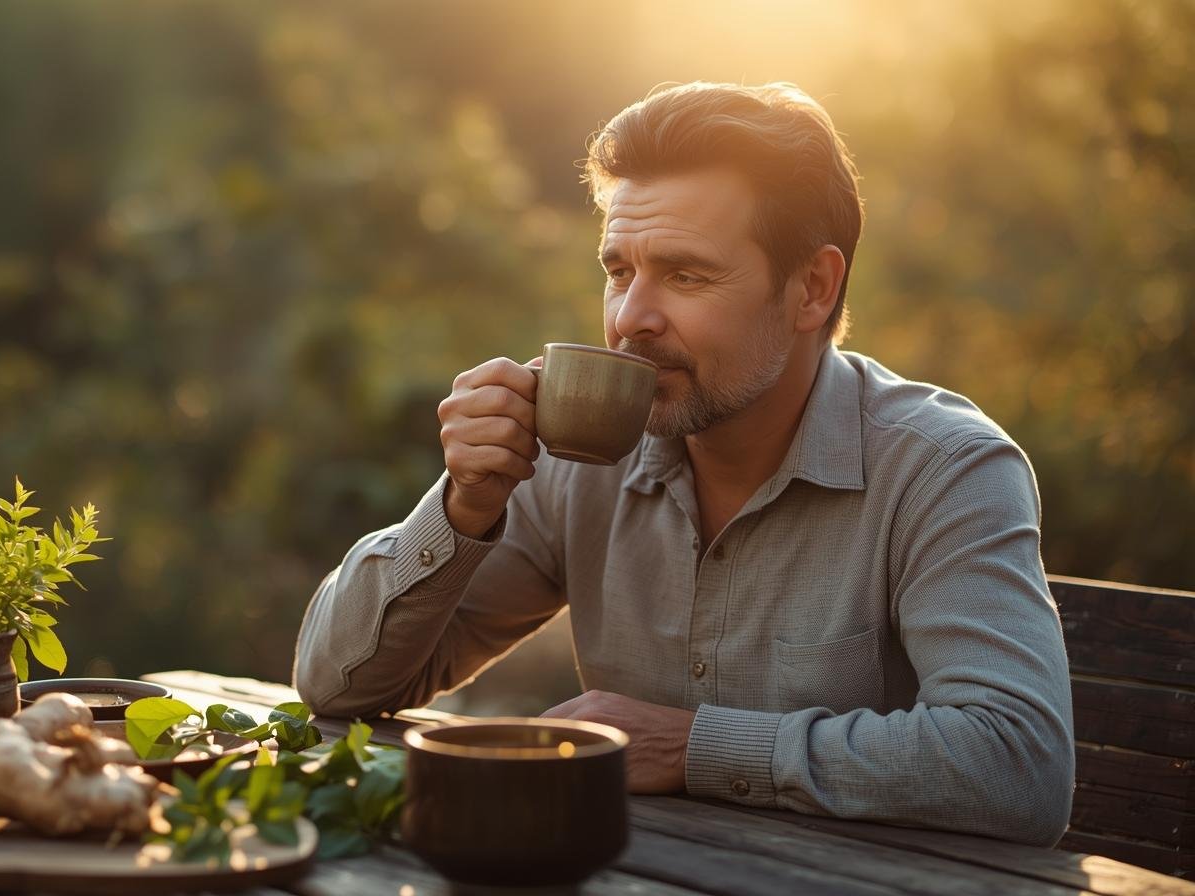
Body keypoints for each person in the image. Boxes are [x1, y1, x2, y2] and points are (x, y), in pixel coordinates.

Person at [292, 82, 1074, 846]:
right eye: (619, 270)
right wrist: (463, 507)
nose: (630, 319)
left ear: (812, 287)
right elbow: (335, 686)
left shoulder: (945, 471)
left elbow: (1018, 764)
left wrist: (690, 745)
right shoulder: (580, 457)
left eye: (687, 274)